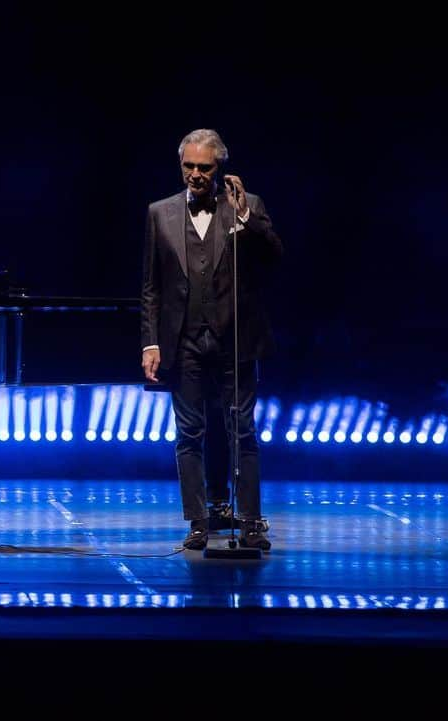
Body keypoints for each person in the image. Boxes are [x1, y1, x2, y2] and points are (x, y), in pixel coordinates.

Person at [140, 129, 281, 551]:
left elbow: (274, 257)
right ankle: (198, 521)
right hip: (183, 340)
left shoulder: (246, 206)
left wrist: (244, 219)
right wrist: (150, 342)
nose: (196, 175)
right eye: (189, 166)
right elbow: (151, 286)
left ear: (219, 168)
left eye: (205, 167)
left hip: (235, 338)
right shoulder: (159, 213)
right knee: (189, 432)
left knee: (242, 430)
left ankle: (251, 521)